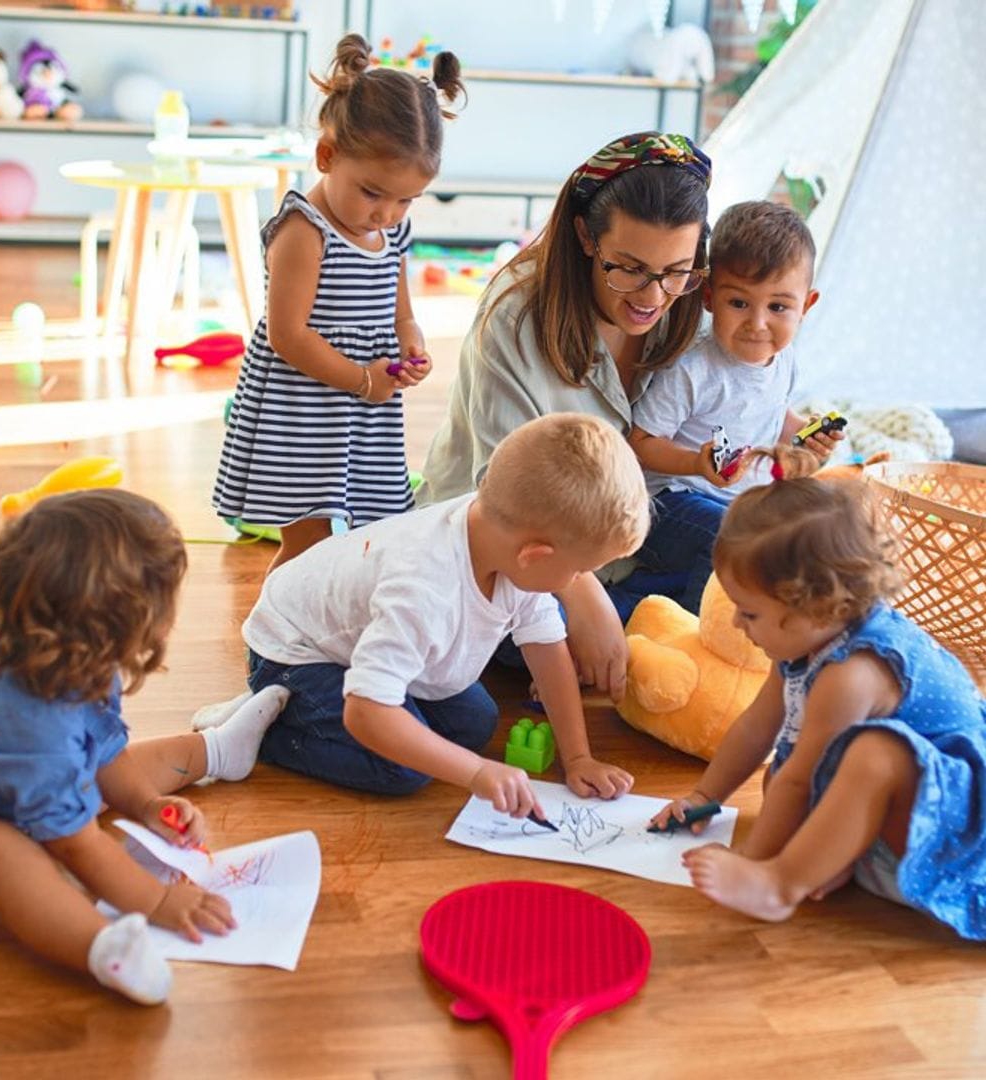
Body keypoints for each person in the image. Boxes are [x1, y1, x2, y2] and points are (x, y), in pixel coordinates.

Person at [0, 490, 293, 1004]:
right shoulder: (34, 730)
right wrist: (159, 901)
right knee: (1, 854)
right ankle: (102, 949)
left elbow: (106, 751)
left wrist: (147, 805)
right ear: (124, 623)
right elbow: (76, 846)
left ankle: (219, 749)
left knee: (106, 764)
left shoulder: (70, 659)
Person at [197, 414, 646, 815]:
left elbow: (548, 653)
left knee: (474, 724)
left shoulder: (504, 534)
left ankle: (296, 707)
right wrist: (475, 773)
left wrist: (579, 757)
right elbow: (367, 712)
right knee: (401, 769)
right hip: (294, 650)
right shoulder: (424, 588)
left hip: (352, 635)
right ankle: (263, 727)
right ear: (534, 555)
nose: (583, 580)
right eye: (582, 570)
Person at [417, 131, 711, 698]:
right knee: (503, 619)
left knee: (741, 545)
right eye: (628, 268)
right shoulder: (515, 315)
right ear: (584, 236)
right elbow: (502, 499)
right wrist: (583, 596)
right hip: (520, 549)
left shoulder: (688, 298)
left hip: (622, 537)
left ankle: (612, 651)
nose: (653, 297)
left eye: (677, 270)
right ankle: (625, 648)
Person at [650, 450, 986, 940]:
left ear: (817, 605)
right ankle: (833, 859)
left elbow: (800, 783)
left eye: (750, 613)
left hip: (957, 831)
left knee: (873, 755)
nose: (738, 624)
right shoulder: (805, 639)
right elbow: (755, 728)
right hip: (898, 825)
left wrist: (753, 864)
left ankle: (781, 886)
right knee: (784, 769)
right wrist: (706, 797)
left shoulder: (851, 673)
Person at [212, 33, 463, 570]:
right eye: (373, 192)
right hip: (302, 409)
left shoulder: (393, 230)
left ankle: (328, 620)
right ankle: (273, 637)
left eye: (406, 199)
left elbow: (401, 308)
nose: (387, 214)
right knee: (308, 540)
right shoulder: (306, 231)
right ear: (326, 155)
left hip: (363, 409)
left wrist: (410, 343)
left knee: (370, 532)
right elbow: (287, 335)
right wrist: (362, 378)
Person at [628, 200, 839, 613]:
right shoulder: (695, 366)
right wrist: (696, 464)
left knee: (812, 528)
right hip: (669, 501)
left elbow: (772, 415)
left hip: (740, 503)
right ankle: (695, 637)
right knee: (731, 538)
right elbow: (640, 441)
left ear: (806, 306)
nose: (757, 324)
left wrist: (805, 437)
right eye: (739, 303)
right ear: (709, 297)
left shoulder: (785, 359)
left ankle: (660, 597)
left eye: (778, 307)